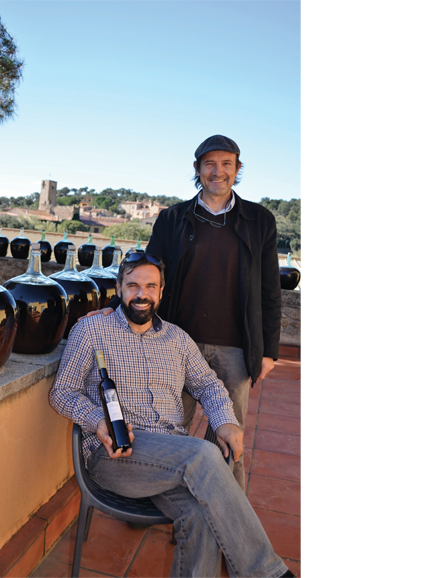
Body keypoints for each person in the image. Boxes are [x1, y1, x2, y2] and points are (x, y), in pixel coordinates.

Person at [50, 255, 292, 578]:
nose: (141, 293)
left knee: (201, 514)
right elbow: (61, 392)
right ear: (119, 287)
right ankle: (267, 573)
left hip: (172, 458)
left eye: (150, 286)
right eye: (133, 285)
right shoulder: (92, 329)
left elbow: (208, 384)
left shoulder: (177, 339)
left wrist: (225, 420)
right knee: (204, 455)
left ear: (161, 292)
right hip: (116, 453)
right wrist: (97, 420)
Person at [92, 134, 282, 491]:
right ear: (198, 170)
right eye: (209, 164)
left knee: (228, 437)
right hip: (176, 341)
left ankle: (223, 513)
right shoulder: (172, 218)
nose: (218, 172)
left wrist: (269, 349)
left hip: (236, 348)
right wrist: (112, 309)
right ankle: (153, 498)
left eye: (227, 164)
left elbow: (269, 289)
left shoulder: (260, 220)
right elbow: (146, 276)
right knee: (165, 429)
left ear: (237, 170)